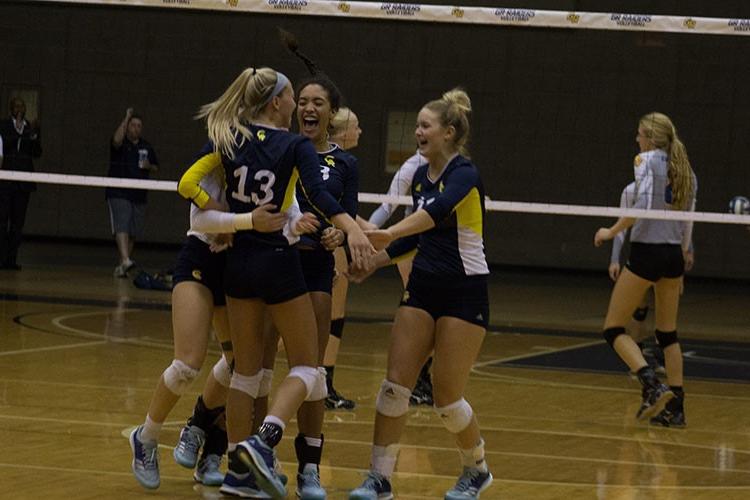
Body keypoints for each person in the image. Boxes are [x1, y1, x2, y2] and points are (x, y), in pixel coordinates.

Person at [179, 66, 373, 499]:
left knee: (247, 374)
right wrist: (353, 227)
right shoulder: (292, 145)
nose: (300, 107)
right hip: (279, 263)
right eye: (295, 99)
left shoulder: (231, 138)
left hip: (238, 264)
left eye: (314, 102)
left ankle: (237, 472)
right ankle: (262, 439)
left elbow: (187, 183)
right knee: (307, 367)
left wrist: (229, 218)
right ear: (278, 103)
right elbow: (321, 197)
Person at [128, 137, 317, 491]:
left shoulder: (272, 161)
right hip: (200, 260)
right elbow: (201, 215)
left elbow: (284, 214)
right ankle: (147, 436)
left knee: (239, 368)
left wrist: (298, 225)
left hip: (238, 266)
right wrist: (239, 222)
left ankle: (203, 434)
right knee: (187, 364)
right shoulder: (222, 154)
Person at [348, 88, 493, 500]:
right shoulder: (417, 175)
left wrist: (387, 232)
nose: (417, 132)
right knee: (395, 385)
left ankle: (476, 469)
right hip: (424, 287)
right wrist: (375, 261)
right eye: (416, 126)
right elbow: (418, 239)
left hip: (465, 290)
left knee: (446, 398)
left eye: (425, 126)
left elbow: (435, 215)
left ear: (448, 133)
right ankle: (379, 478)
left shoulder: (465, 174)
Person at [595, 112, 697, 428]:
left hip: (648, 254)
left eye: (639, 134)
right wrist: (685, 252)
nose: (636, 140)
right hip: (673, 256)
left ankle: (652, 383)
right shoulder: (686, 171)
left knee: (613, 329)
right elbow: (688, 219)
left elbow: (639, 208)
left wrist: (610, 232)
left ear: (650, 138)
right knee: (668, 333)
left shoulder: (646, 159)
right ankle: (676, 408)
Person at [368, 150, 436, 407]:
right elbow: (386, 206)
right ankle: (417, 379)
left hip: (441, 248)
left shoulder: (458, 167)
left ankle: (422, 377)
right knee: (420, 312)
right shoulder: (414, 165)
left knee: (435, 314)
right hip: (412, 245)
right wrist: (369, 236)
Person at [323, 107, 362, 410]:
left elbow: (343, 209)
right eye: (357, 127)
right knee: (326, 316)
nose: (360, 132)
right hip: (323, 243)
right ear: (343, 130)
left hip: (336, 240)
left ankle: (325, 382)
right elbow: (333, 209)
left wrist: (369, 229)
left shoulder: (345, 164)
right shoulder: (329, 161)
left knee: (335, 316)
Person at [106, 108, 159, 278]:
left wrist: (149, 166)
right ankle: (126, 259)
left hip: (139, 193)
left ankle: (123, 264)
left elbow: (156, 166)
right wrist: (126, 117)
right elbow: (115, 140)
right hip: (118, 191)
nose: (136, 128)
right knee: (122, 224)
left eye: (139, 126)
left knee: (133, 231)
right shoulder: (121, 144)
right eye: (133, 125)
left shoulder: (146, 146)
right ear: (127, 127)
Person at [0, 97, 41, 270]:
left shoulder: (30, 128)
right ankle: (1, 258)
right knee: (2, 220)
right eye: (16, 106)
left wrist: (34, 136)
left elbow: (37, 152)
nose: (19, 109)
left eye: (22, 106)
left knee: (18, 223)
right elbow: (4, 146)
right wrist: (17, 132)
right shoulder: (4, 126)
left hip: (23, 182)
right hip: (6, 179)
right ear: (11, 109)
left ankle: (11, 259)